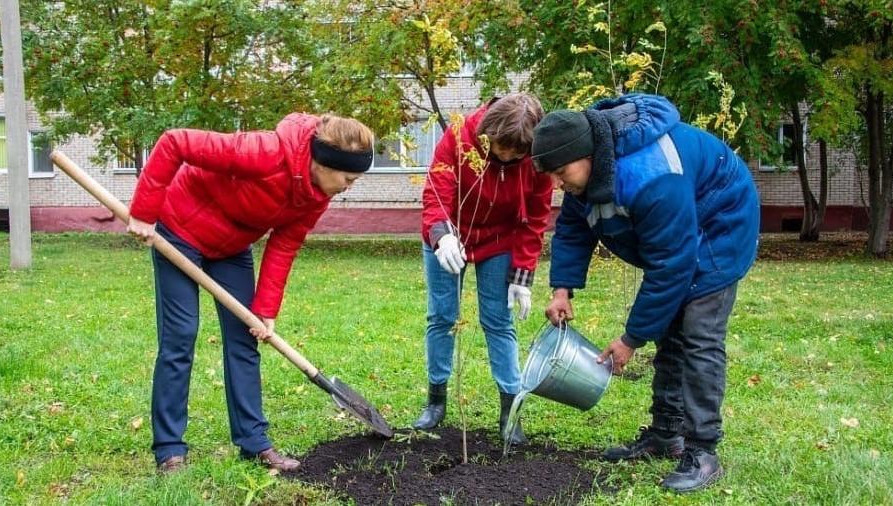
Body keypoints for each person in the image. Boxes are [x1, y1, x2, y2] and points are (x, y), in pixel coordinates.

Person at [532, 94, 759, 492]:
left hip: (721, 224)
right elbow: (572, 229)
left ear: (586, 154)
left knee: (698, 336)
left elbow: (671, 267)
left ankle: (702, 450)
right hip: (683, 229)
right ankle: (665, 434)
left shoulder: (652, 175)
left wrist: (631, 339)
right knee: (671, 329)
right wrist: (561, 289)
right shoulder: (585, 174)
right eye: (550, 175)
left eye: (561, 172)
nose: (557, 184)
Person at [126, 113, 374, 473]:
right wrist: (144, 212)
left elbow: (285, 243)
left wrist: (266, 310)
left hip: (230, 247)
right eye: (349, 177)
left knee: (245, 338)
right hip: (179, 229)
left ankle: (254, 442)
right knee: (180, 337)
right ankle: (169, 449)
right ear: (324, 162)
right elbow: (175, 141)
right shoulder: (265, 152)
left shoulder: (316, 195)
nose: (350, 186)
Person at [414, 93, 554, 444]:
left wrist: (522, 276)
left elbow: (535, 219)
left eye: (514, 153)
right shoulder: (460, 136)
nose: (505, 156)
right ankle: (436, 401)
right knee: (442, 316)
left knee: (498, 320)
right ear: (488, 133)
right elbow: (437, 192)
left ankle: (511, 410)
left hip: (499, 242)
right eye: (499, 148)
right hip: (450, 238)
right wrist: (441, 236)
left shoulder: (539, 156)